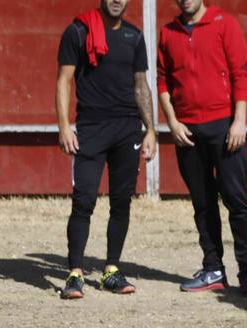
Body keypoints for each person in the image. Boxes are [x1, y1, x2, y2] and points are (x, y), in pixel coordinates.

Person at [56, 0, 158, 300]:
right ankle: (75, 273)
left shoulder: (134, 37)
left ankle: (111, 270)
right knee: (83, 199)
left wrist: (150, 128)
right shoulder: (78, 32)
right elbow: (64, 80)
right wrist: (64, 126)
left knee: (121, 201)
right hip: (91, 126)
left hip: (127, 127)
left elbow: (141, 85)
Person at [157, 0, 247, 294]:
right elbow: (163, 81)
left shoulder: (224, 24)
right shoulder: (168, 32)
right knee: (202, 203)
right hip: (187, 130)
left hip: (224, 126)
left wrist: (239, 121)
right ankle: (214, 269)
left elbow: (241, 73)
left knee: (235, 199)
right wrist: (173, 123)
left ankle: (246, 269)